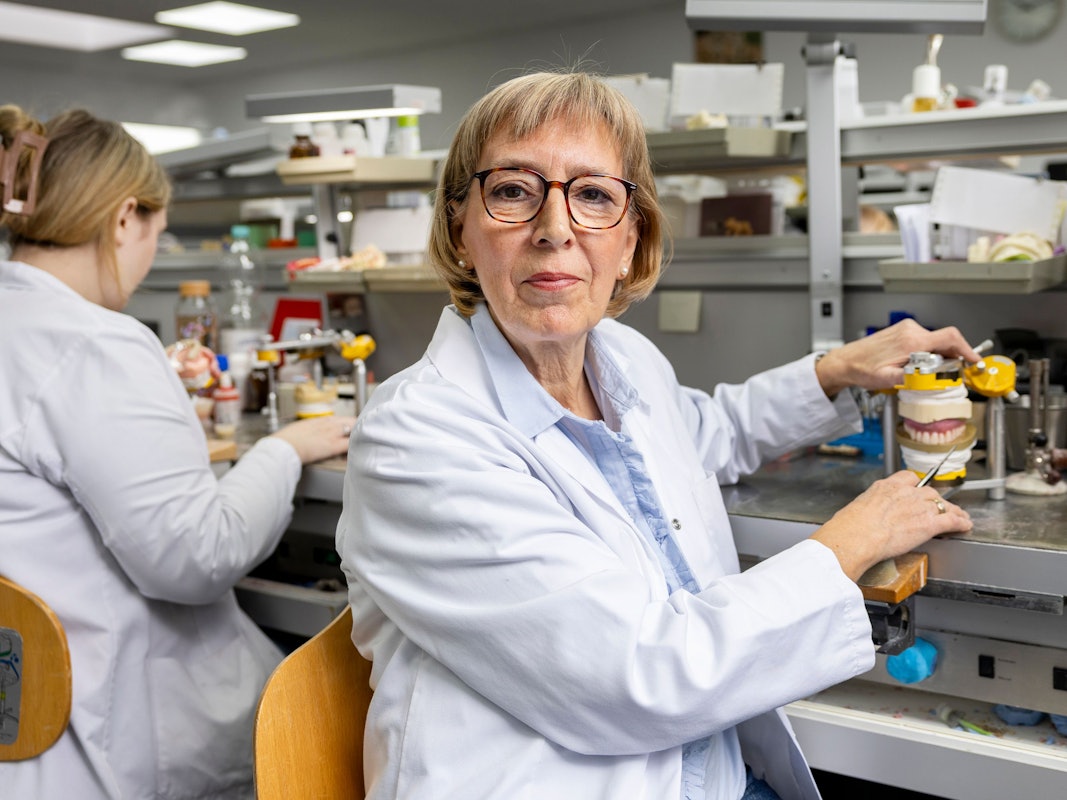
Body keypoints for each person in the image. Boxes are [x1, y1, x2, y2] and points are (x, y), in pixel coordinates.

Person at [334, 71, 979, 800]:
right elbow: (636, 677)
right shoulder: (417, 437)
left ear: (631, 236)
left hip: (710, 771)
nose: (554, 228)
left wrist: (835, 371)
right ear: (460, 225)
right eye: (513, 190)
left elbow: (705, 432)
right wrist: (850, 541)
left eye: (593, 195)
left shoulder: (621, 358)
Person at [0, 105, 355, 798]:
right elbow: (197, 556)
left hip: (25, 711)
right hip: (106, 740)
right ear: (124, 216)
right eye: (154, 234)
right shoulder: (96, 344)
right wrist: (283, 450)